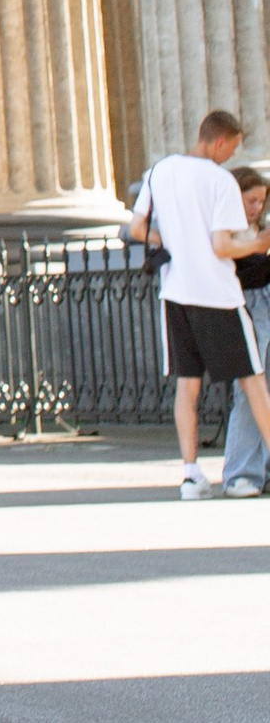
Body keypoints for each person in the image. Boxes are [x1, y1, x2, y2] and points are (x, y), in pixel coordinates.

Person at [127, 110, 270, 497]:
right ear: (219, 141)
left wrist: (171, 240)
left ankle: (191, 474)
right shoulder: (220, 181)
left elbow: (137, 228)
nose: (232, 155)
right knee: (254, 382)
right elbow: (222, 246)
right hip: (218, 293)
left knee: (187, 386)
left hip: (176, 292)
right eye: (233, 147)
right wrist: (258, 244)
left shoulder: (159, 172)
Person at [219, 169, 270, 497]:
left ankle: (262, 468)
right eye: (251, 200)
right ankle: (241, 472)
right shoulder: (224, 233)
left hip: (264, 299)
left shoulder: (257, 229)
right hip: (245, 304)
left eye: (261, 202)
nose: (256, 208)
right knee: (251, 391)